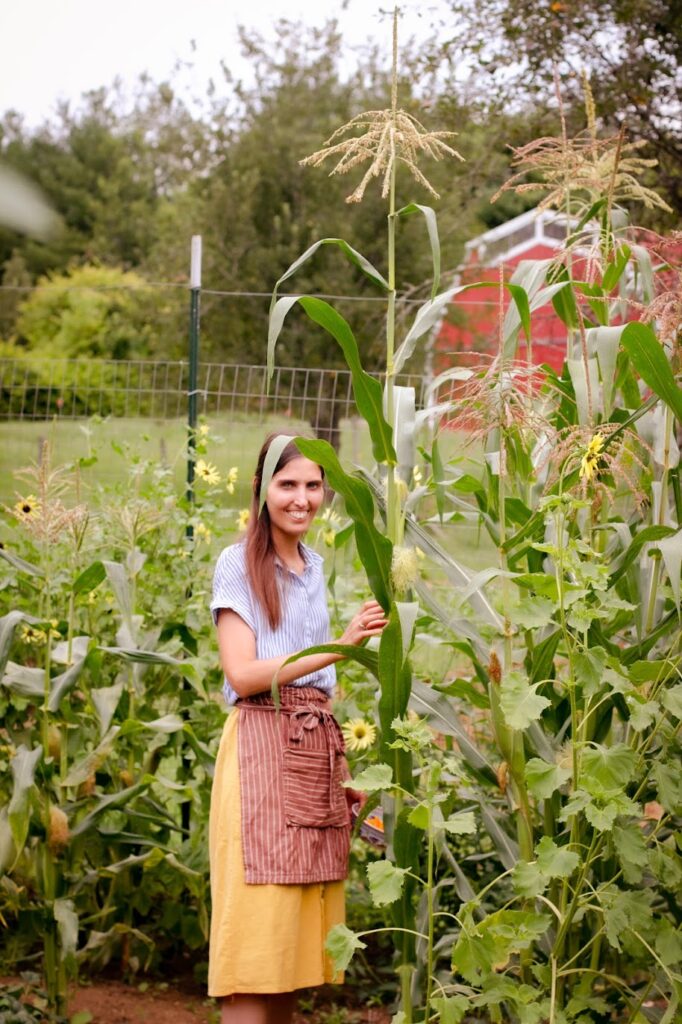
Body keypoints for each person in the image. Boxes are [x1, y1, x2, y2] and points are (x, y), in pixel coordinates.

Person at [208, 432, 387, 1024]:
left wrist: (341, 776)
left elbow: (315, 693)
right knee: (254, 954)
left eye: (314, 485)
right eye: (288, 485)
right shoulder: (237, 562)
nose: (302, 499)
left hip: (310, 753)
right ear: (262, 491)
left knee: (288, 954)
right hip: (260, 750)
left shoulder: (312, 567)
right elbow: (244, 671)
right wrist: (341, 646)